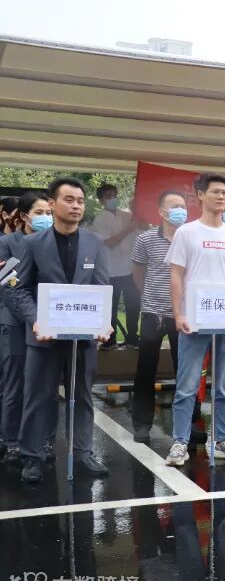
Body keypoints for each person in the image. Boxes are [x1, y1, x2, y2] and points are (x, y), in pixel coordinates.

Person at [10, 177, 113, 482]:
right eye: (69, 200)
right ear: (53, 204)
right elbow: (18, 289)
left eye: (80, 201)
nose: (76, 206)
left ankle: (83, 452)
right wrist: (35, 319)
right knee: (38, 397)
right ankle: (32, 456)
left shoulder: (95, 243)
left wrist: (104, 321)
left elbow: (102, 287)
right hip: (44, 336)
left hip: (83, 337)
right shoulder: (31, 244)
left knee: (82, 395)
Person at [163, 172, 225, 467]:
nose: (221, 197)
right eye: (215, 191)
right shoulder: (187, 233)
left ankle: (223, 439)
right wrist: (178, 313)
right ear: (200, 195)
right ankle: (180, 441)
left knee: (224, 386)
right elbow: (176, 274)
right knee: (187, 385)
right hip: (194, 320)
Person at [130, 191, 192, 443]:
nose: (180, 210)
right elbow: (137, 273)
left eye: (183, 206)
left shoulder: (192, 237)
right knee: (146, 369)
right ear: (161, 212)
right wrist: (150, 295)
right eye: (174, 206)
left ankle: (189, 424)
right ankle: (142, 424)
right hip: (152, 313)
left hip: (184, 315)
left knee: (185, 371)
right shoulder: (145, 239)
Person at [0, 191, 51, 465]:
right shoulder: (7, 243)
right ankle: (11, 441)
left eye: (48, 213)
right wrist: (33, 319)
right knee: (15, 385)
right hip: (16, 324)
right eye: (39, 213)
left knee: (45, 387)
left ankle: (44, 439)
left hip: (47, 324)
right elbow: (8, 287)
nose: (45, 218)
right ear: (24, 216)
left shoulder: (52, 242)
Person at [91, 183, 140, 349]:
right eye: (108, 196)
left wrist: (137, 208)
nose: (113, 198)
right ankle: (110, 340)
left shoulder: (127, 215)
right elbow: (109, 242)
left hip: (130, 269)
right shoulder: (99, 220)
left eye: (114, 195)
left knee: (133, 305)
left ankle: (133, 338)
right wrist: (127, 230)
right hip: (111, 270)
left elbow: (144, 226)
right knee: (110, 307)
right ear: (101, 200)